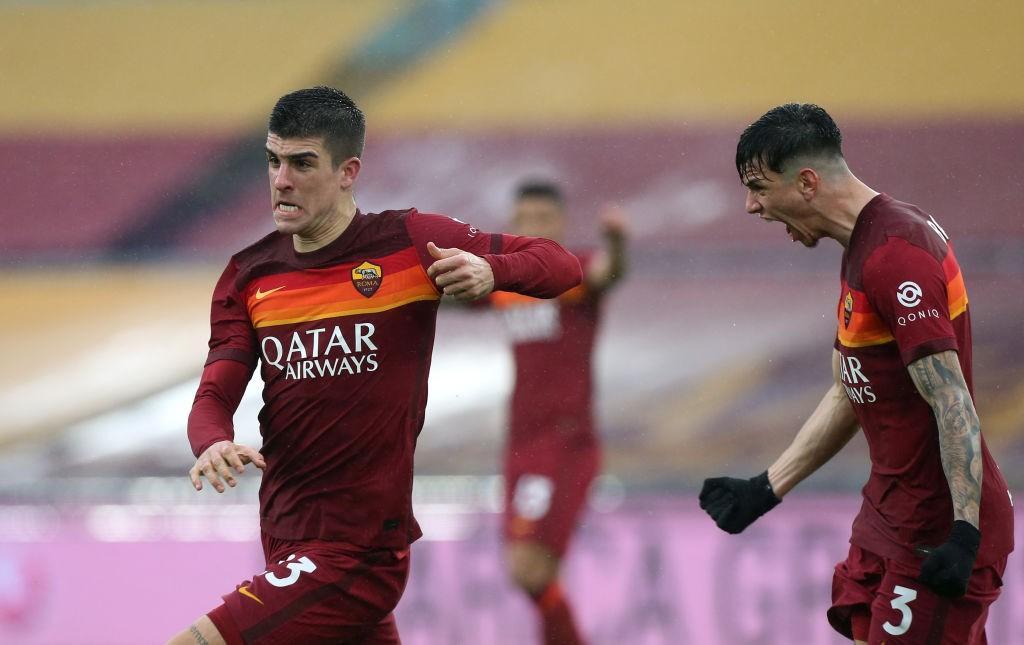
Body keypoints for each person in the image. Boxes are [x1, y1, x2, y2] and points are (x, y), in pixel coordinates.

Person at [167, 87, 582, 645]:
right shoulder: (249, 275)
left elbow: (561, 263)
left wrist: (492, 270)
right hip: (287, 537)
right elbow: (214, 395)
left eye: (302, 163)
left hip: (358, 552)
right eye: (273, 161)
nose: (281, 179)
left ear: (348, 171)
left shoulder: (409, 243)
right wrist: (213, 442)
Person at [699, 104, 1013, 644]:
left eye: (758, 186)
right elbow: (854, 385)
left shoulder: (895, 256)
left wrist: (963, 532)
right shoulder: (867, 244)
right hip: (891, 515)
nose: (751, 205)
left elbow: (951, 399)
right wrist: (767, 487)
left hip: (935, 528)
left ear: (806, 182)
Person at [482, 181, 627, 645]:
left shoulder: (572, 273)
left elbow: (610, 273)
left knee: (527, 568)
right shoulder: (505, 282)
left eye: (543, 219)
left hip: (563, 443)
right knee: (535, 573)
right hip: (520, 445)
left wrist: (619, 243)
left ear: (562, 224)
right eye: (524, 220)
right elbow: (458, 294)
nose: (534, 229)